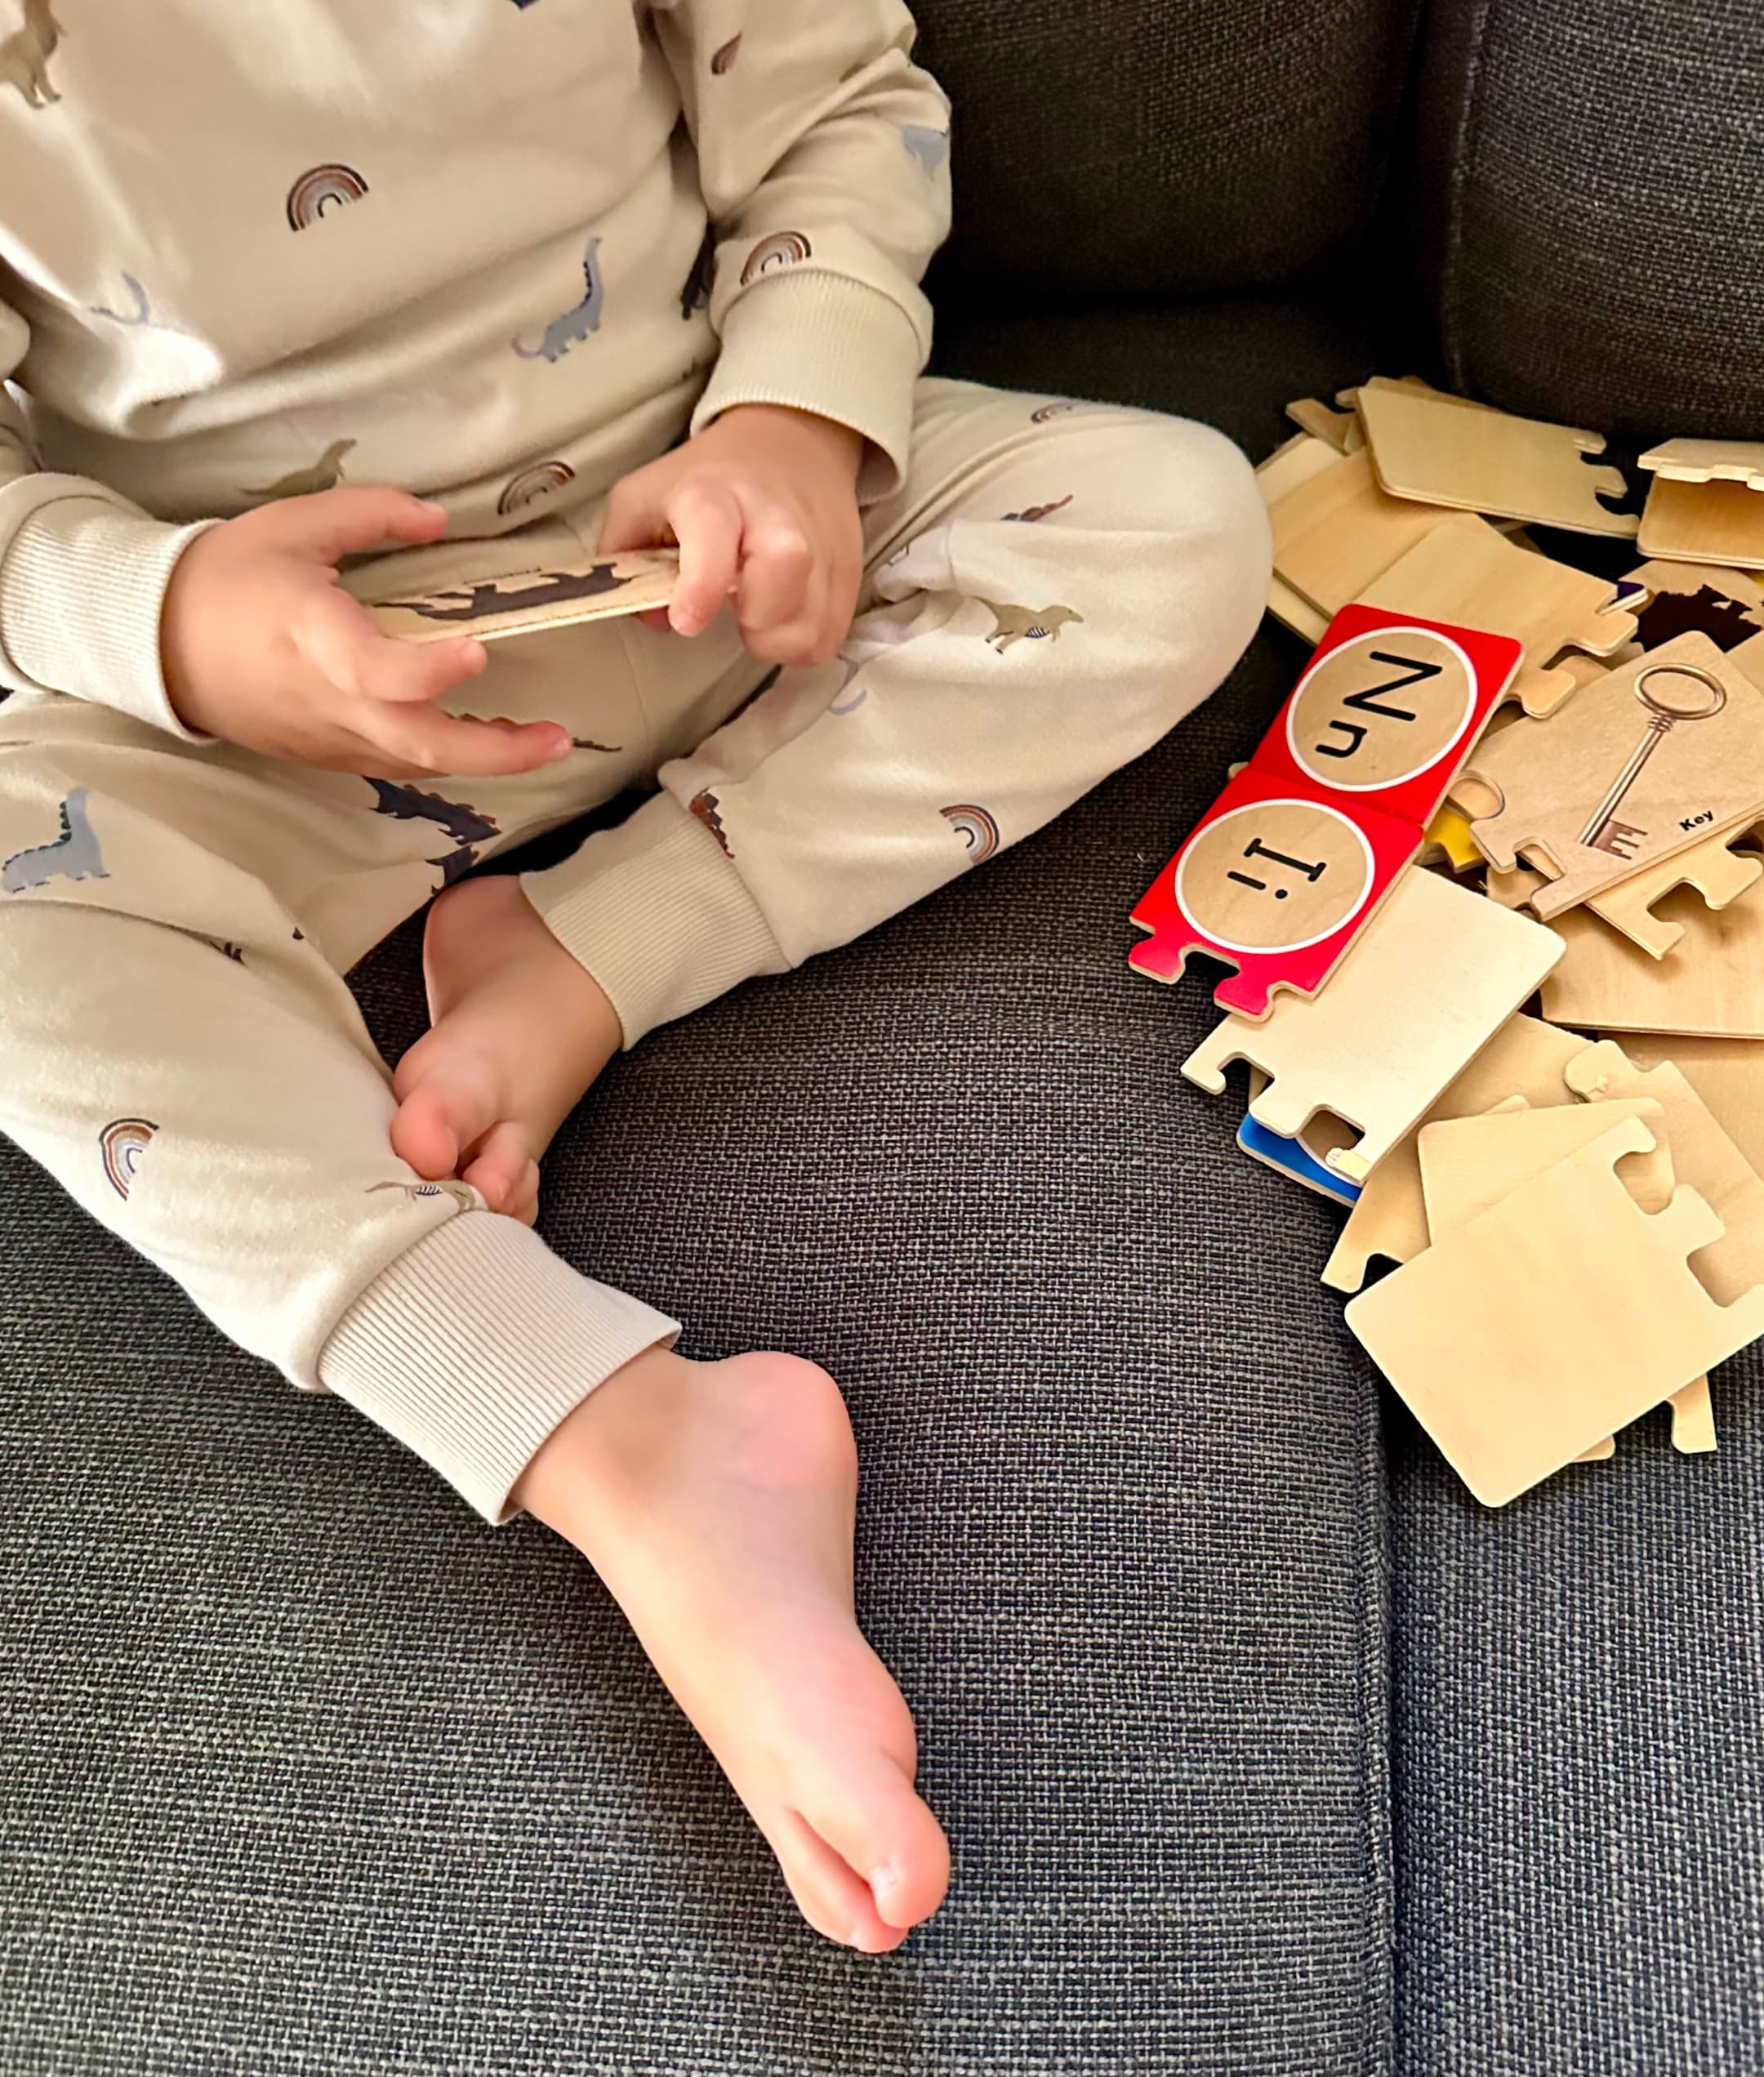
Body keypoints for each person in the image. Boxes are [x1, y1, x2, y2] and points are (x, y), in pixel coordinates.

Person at [0, 0, 1271, 1953]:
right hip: (254, 705)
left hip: (715, 559)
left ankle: (578, 955)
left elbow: (841, 104)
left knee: (1178, 524)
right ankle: (624, 1441)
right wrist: (165, 619)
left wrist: (794, 412)